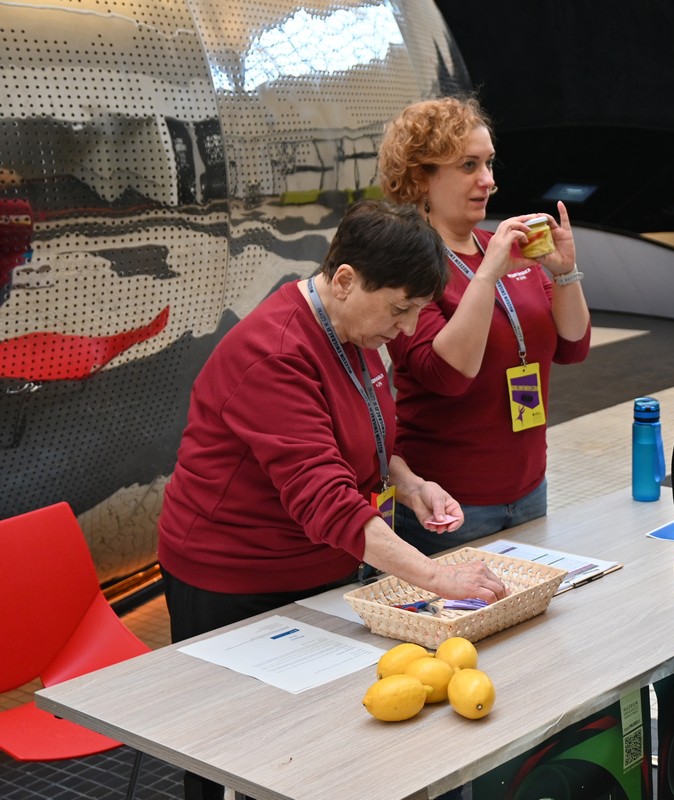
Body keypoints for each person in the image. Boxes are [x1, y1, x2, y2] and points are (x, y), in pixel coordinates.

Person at [157, 200, 508, 800]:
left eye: (415, 313)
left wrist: (410, 482)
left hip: (317, 564)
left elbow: (358, 434)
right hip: (233, 580)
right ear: (345, 279)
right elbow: (326, 499)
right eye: (400, 310)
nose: (406, 330)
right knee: (232, 751)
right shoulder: (274, 352)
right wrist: (437, 577)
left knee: (312, 747)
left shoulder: (353, 327)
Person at [377, 96, 591, 555]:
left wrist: (565, 273)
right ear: (422, 178)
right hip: (448, 501)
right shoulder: (407, 267)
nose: (488, 180)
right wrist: (487, 276)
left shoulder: (502, 248)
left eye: (489, 163)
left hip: (529, 488)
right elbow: (448, 376)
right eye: (468, 165)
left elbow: (573, 346)